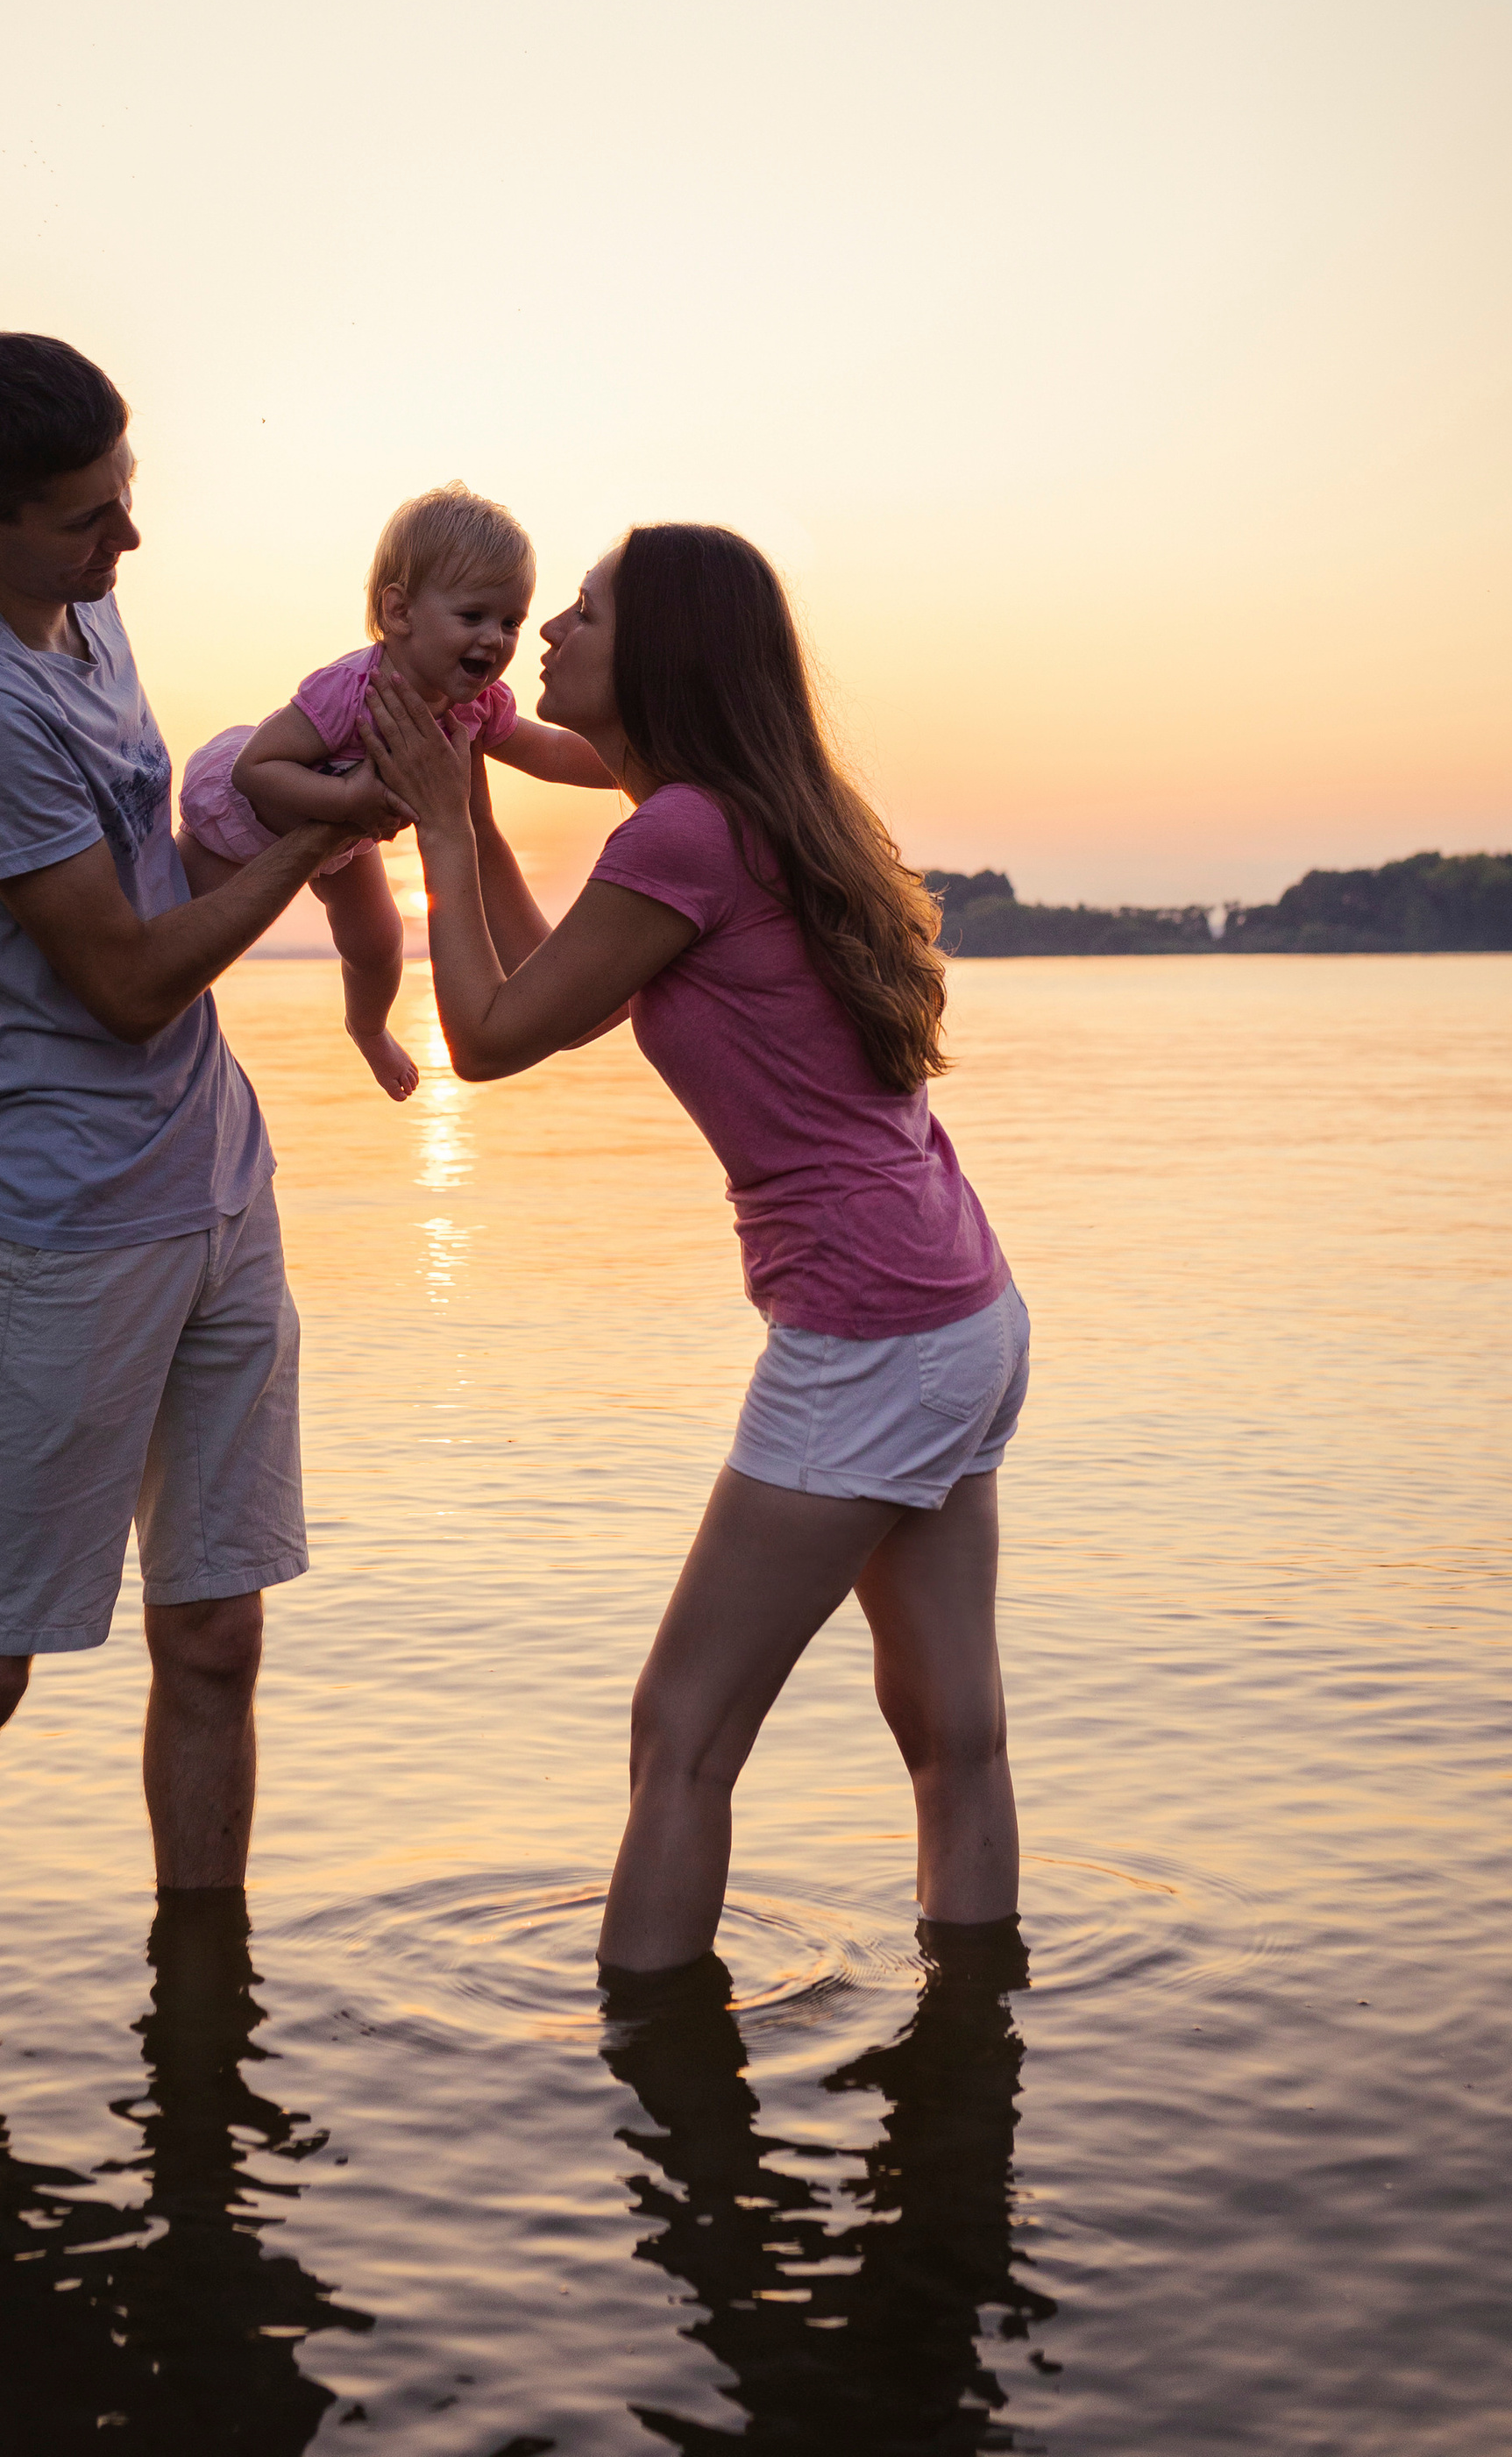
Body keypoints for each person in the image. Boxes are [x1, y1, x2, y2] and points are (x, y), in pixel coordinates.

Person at [362, 522, 1027, 1980]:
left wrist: (449, 828)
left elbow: (487, 1036)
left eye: (586, 613)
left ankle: (652, 2065)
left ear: (658, 654)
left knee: (681, 1732)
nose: (550, 632)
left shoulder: (684, 834)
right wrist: (476, 784)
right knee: (953, 1734)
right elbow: (556, 993)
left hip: (870, 1330)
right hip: (964, 1313)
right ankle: (975, 2033)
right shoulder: (754, 814)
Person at [0, 332, 406, 1928]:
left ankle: (204, 2005)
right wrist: (322, 837)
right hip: (63, 1226)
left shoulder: (83, 607)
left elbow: (162, 853)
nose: (127, 540)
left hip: (215, 1184)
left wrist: (306, 762)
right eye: (89, 517)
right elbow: (131, 982)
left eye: (126, 494)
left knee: (217, 1634)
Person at [178, 482, 614, 1103]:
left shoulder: (477, 706)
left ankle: (369, 1029)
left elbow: (550, 753)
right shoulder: (350, 690)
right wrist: (348, 802)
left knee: (380, 944)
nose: (496, 639)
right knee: (182, 932)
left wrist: (646, 767)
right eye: (473, 616)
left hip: (346, 842)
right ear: (400, 612)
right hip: (247, 826)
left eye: (510, 621)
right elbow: (257, 766)